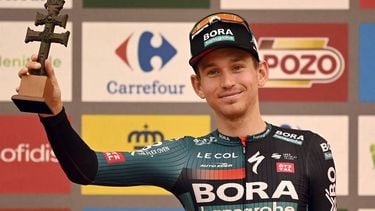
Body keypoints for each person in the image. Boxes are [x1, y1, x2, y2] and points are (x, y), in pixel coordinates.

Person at [17, 12, 337, 211]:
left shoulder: (308, 148)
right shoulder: (183, 155)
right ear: (198, 85)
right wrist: (54, 111)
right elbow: (86, 169)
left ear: (261, 73)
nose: (227, 82)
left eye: (237, 67)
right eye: (213, 72)